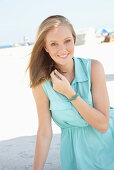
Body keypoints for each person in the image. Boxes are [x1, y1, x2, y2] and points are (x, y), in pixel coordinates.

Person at [27, 15, 114, 170]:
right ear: (45, 47)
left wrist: (69, 93)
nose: (62, 49)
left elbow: (102, 125)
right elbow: (44, 132)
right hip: (74, 152)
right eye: (54, 44)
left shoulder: (94, 68)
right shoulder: (41, 83)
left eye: (67, 40)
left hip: (108, 144)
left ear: (74, 40)